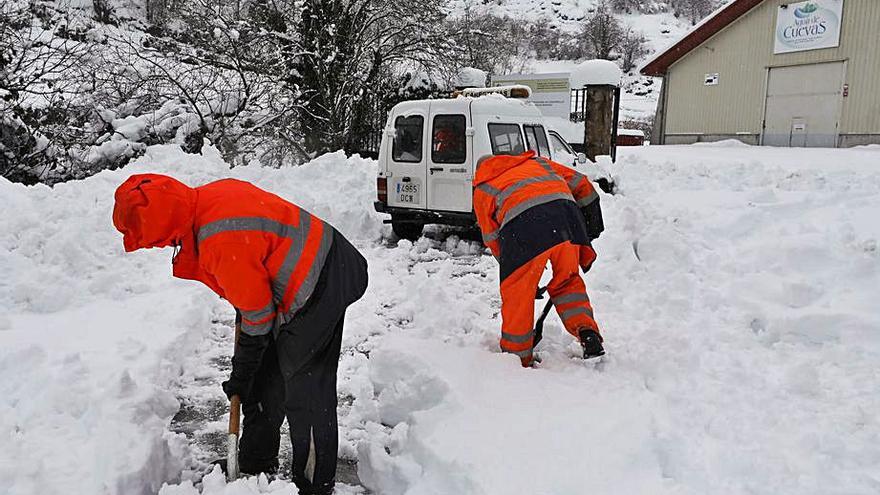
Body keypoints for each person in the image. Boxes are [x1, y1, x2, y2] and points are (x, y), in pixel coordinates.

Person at [112, 174, 368, 494]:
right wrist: (250, 370)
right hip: (296, 276)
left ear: (161, 226)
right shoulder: (206, 200)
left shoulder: (217, 238)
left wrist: (243, 369)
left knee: (305, 389)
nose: (162, 246)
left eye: (155, 240)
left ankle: (315, 484)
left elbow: (258, 317)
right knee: (265, 379)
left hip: (324, 279)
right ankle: (256, 459)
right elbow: (253, 272)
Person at [472, 151, 604, 367]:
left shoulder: (483, 187)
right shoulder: (537, 163)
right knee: (568, 280)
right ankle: (588, 332)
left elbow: (492, 238)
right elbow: (582, 183)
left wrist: (515, 268)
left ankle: (516, 358)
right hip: (566, 220)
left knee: (518, 293)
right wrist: (591, 223)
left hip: (524, 228)